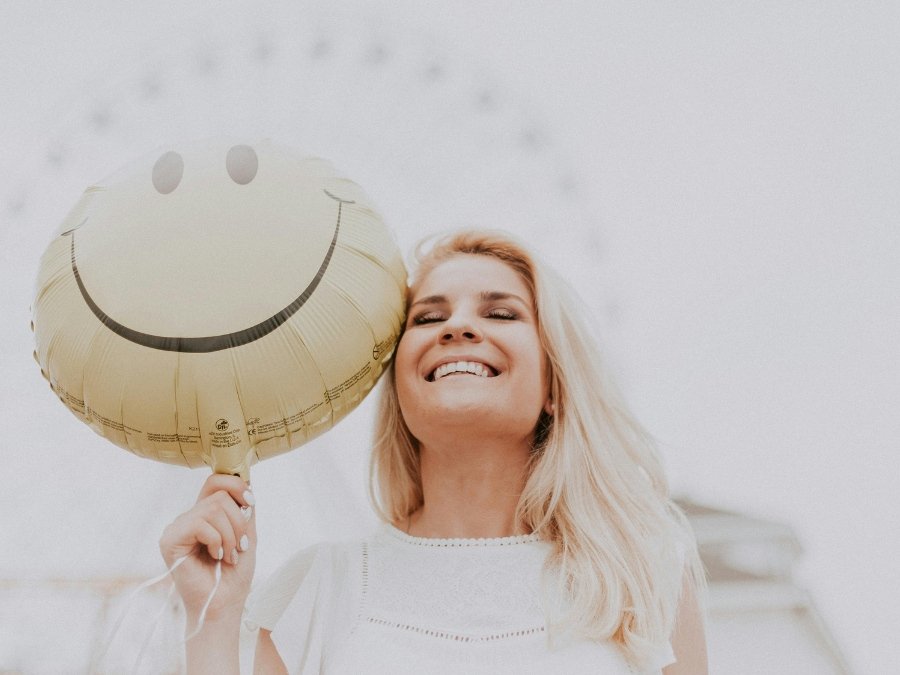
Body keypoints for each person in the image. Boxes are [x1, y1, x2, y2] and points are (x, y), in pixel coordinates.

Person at [160, 229, 708, 674]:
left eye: (501, 314)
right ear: (399, 388)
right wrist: (212, 616)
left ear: (555, 390)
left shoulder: (641, 575)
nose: (458, 326)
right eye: (428, 318)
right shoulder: (320, 591)